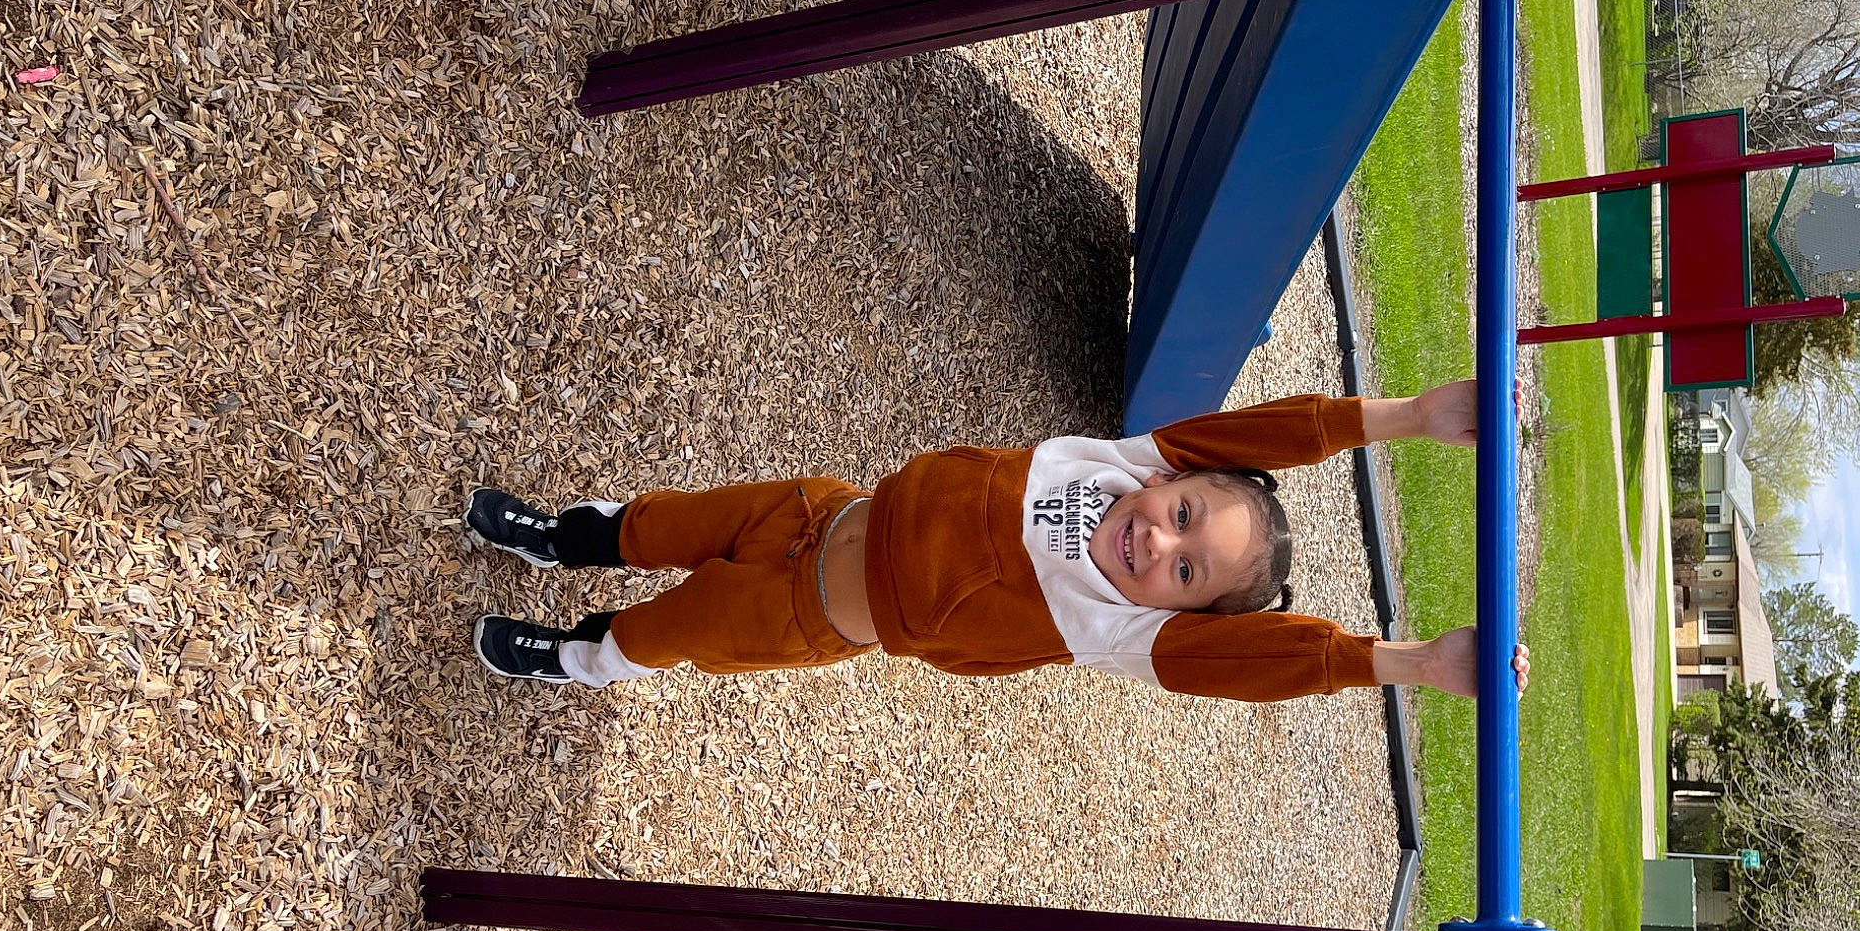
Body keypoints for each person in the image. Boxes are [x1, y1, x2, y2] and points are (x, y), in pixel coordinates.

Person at [465, 382, 1531, 704]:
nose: (1158, 543)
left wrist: (1401, 664)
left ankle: (578, 655)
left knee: (670, 629)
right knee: (663, 522)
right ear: (1166, 474)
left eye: (1186, 572)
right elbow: (1257, 435)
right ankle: (566, 537)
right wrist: (1403, 419)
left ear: (1172, 611)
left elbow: (1258, 656)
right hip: (815, 510)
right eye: (1182, 515)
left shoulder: (1118, 626)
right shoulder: (1125, 463)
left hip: (803, 615)